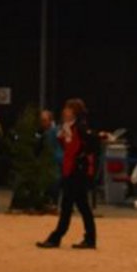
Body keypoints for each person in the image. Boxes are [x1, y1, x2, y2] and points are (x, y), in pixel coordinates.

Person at [36, 98, 98, 249]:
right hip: (70, 171)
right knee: (78, 206)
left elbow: (91, 144)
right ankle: (88, 238)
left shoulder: (80, 128)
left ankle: (57, 237)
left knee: (71, 206)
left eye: (68, 109)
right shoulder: (67, 127)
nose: (65, 111)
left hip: (77, 172)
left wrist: (82, 159)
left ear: (74, 112)